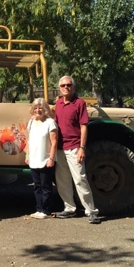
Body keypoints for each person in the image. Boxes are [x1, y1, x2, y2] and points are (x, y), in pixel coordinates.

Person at [53, 75, 101, 224]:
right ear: (59, 88)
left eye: (68, 85)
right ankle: (69, 208)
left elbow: (84, 126)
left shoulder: (79, 103)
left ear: (73, 87)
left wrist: (82, 147)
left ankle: (91, 211)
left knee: (80, 179)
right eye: (63, 86)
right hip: (60, 148)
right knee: (63, 180)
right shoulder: (58, 103)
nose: (66, 88)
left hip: (74, 147)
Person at [25, 98, 58, 219]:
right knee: (37, 186)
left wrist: (51, 158)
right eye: (35, 108)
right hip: (34, 159)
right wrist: (27, 155)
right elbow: (29, 140)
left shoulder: (50, 123)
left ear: (45, 109)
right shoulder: (31, 122)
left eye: (40, 108)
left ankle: (46, 210)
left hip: (45, 159)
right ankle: (39, 209)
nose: (38, 110)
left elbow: (54, 142)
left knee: (46, 186)